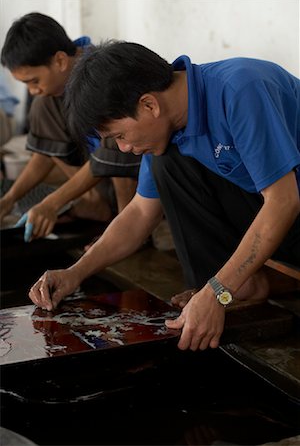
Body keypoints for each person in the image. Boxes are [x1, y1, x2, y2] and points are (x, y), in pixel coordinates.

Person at [29, 40, 300, 351]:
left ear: (149, 105)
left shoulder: (241, 89)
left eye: (120, 135)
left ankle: (219, 292)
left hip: (290, 209)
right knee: (168, 161)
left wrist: (216, 291)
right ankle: (240, 287)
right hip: (281, 217)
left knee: (170, 160)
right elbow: (140, 213)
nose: (124, 148)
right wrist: (75, 272)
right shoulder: (170, 129)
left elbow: (283, 201)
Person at [0, 14, 140, 242]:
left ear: (60, 61)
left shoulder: (101, 77)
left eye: (34, 81)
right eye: (26, 84)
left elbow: (112, 156)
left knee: (118, 150)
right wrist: (9, 199)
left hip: (135, 165)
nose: (32, 90)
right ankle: (96, 203)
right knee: (42, 107)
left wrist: (52, 203)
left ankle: (127, 229)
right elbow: (43, 156)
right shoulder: (50, 95)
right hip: (102, 171)